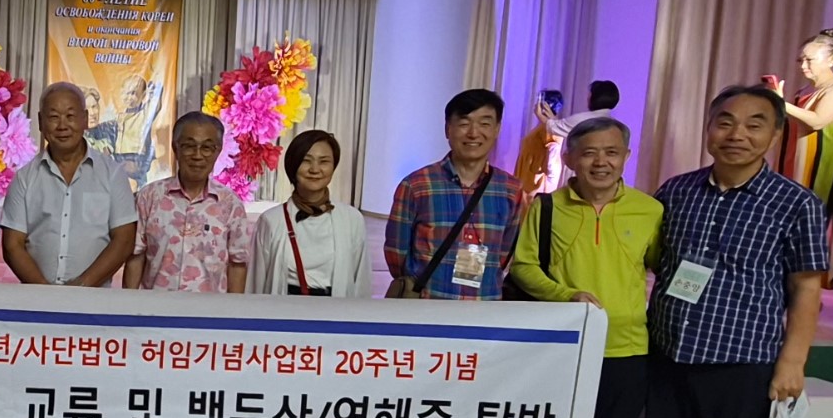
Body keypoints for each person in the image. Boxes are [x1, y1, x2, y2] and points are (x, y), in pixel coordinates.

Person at [628, 85, 827, 418]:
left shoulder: (796, 204)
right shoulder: (676, 191)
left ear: (775, 134)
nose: (737, 134)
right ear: (708, 127)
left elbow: (807, 287)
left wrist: (793, 361)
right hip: (670, 349)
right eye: (725, 121)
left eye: (754, 124)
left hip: (742, 358)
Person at [509, 117, 662, 418]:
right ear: (570, 158)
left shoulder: (649, 210)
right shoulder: (546, 207)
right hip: (564, 346)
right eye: (589, 152)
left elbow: (663, 267)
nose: (601, 162)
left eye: (611, 152)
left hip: (626, 348)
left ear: (626, 157)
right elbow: (523, 267)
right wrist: (566, 295)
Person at [384, 89, 524, 299]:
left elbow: (503, 254)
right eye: (464, 123)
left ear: (497, 129)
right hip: (426, 305)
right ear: (447, 129)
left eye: (484, 123)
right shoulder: (416, 185)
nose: (474, 133)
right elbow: (397, 254)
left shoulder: (511, 189)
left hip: (485, 306)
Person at [2, 82, 137, 286]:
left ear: (85, 119)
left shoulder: (112, 174)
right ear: (40, 122)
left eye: (70, 116)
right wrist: (44, 291)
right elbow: (12, 245)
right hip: (37, 297)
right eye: (54, 117)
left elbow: (124, 240)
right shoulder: (24, 178)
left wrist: (82, 286)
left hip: (94, 298)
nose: (62, 126)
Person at [123, 112, 250, 293]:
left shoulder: (230, 204)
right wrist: (128, 304)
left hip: (210, 308)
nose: (197, 155)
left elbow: (237, 264)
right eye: (189, 146)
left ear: (218, 151)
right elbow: (136, 256)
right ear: (175, 148)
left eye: (207, 147)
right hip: (157, 306)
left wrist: (234, 310)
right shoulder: (149, 197)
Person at [250, 130, 371, 297]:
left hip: (336, 309)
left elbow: (361, 283)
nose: (315, 169)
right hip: (285, 309)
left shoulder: (352, 219)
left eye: (324, 161)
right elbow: (256, 283)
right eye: (306, 161)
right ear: (293, 165)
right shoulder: (271, 220)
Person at [768, 29, 833, 293]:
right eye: (801, 60)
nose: (803, 66)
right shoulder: (805, 91)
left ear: (831, 58)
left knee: (814, 226)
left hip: (822, 170)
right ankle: (789, 284)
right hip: (794, 165)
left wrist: (781, 103)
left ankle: (811, 289)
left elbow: (818, 121)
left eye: (810, 60)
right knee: (790, 224)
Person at [530, 80, 621, 194]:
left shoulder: (583, 120)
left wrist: (540, 115)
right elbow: (558, 126)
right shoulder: (613, 124)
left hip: (579, 172)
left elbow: (554, 128)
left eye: (589, 94)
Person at [113, 75, 162, 189]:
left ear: (143, 96)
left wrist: (153, 93)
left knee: (136, 188)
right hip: (119, 156)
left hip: (135, 157)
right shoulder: (119, 116)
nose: (129, 98)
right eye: (127, 93)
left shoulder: (144, 114)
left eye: (134, 93)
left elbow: (155, 106)